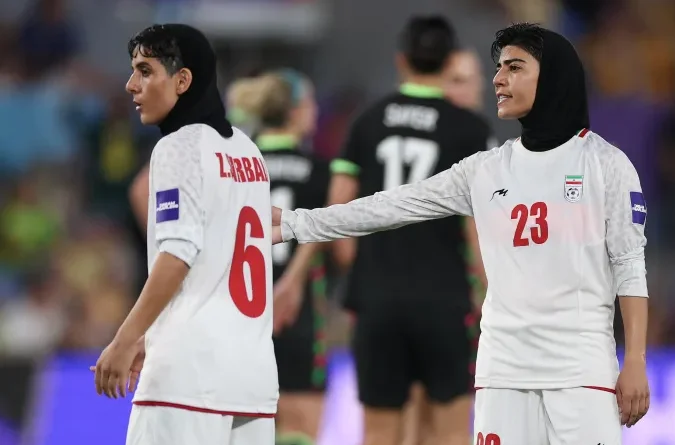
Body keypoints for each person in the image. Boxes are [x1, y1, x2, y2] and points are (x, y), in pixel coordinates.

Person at [272, 23, 651, 445]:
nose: (498, 78)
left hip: (580, 371)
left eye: (514, 67)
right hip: (502, 371)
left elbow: (630, 265)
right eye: (498, 68)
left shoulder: (607, 165)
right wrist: (296, 223)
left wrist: (634, 358)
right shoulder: (485, 169)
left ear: (552, 75)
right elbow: (390, 205)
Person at [278, 15, 492, 445]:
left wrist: (364, 265)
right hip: (443, 298)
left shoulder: (367, 121)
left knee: (379, 433)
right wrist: (488, 293)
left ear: (401, 61)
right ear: (449, 62)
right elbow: (478, 226)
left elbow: (337, 210)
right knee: (450, 430)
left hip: (376, 299)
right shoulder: (470, 128)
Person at [92, 24, 277, 445]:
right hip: (252, 378)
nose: (130, 85)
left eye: (144, 70)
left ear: (182, 80)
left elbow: (179, 253)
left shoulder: (178, 145)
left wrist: (125, 339)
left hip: (187, 379)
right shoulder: (248, 151)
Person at [229, 69, 330, 445]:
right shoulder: (322, 171)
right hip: (298, 316)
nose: (316, 111)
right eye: (311, 103)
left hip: (241, 312)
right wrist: (297, 278)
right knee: (302, 429)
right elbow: (338, 240)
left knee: (246, 430)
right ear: (296, 111)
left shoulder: (236, 166)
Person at [402, 46, 490, 445]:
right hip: (437, 293)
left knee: (427, 414)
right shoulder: (467, 138)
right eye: (453, 79)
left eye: (467, 81)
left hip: (434, 292)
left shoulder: (474, 140)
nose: (458, 90)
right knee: (430, 414)